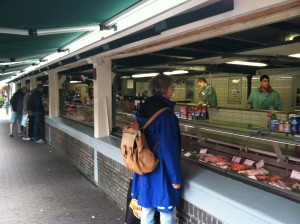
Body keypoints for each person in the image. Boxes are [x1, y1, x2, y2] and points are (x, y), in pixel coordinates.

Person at [132, 74, 181, 224]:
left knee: (146, 211)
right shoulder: (165, 113)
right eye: (172, 87)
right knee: (166, 213)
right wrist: (175, 177)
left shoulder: (145, 107)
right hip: (162, 170)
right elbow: (168, 147)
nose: (173, 90)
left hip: (145, 164)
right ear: (165, 89)